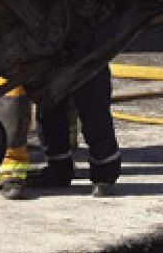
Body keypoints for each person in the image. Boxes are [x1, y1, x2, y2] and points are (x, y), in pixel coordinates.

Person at [29, 67, 121, 198]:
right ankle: (59, 168)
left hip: (87, 53)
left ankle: (105, 174)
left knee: (92, 102)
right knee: (49, 100)